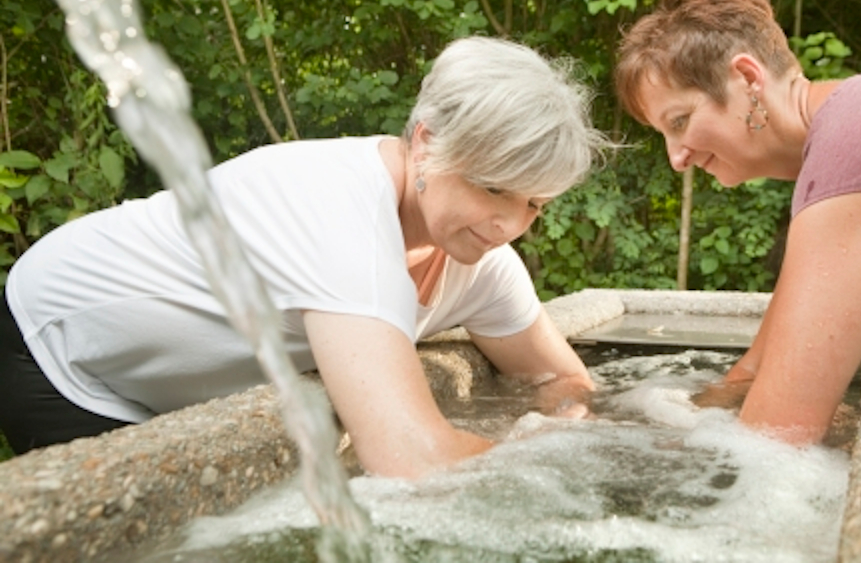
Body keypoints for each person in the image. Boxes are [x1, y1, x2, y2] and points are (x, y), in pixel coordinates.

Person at [0, 36, 607, 476]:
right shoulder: (337, 211)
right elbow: (410, 459)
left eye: (535, 203)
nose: (511, 225)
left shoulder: (480, 258)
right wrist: (565, 461)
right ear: (426, 143)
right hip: (60, 352)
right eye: (494, 187)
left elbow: (560, 375)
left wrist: (553, 422)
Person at [614, 0, 861, 445]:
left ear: (748, 78)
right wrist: (664, 417)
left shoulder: (858, 140)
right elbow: (753, 370)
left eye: (680, 121)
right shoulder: (849, 136)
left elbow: (777, 437)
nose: (677, 159)